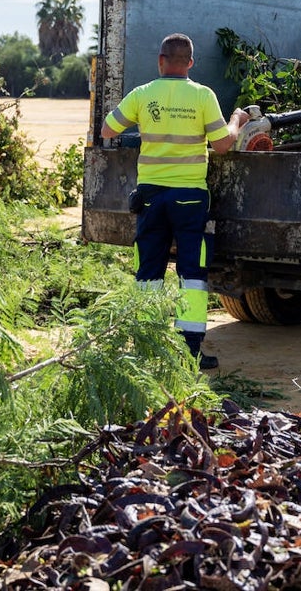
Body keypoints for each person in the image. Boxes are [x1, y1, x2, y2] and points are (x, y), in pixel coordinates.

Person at [101, 33, 248, 369]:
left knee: (148, 272)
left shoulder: (143, 94)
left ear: (160, 60)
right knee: (192, 275)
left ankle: (145, 347)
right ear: (191, 63)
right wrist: (237, 120)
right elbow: (223, 145)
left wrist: (148, 127)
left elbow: (108, 131)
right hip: (190, 199)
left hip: (151, 198)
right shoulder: (202, 96)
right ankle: (189, 352)